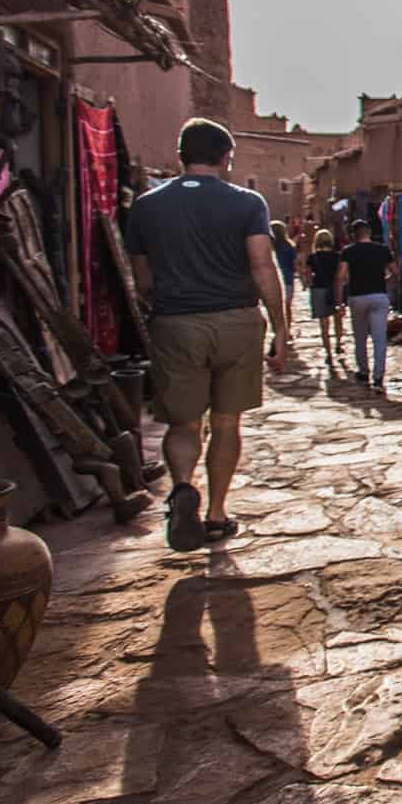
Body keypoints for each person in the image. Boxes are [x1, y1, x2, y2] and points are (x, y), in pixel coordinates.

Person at [126, 118, 289, 552]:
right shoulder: (247, 203)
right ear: (225, 157)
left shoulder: (145, 206)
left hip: (175, 322)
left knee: (184, 423)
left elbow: (141, 280)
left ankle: (182, 488)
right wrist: (281, 327)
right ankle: (217, 514)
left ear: (182, 155)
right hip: (235, 321)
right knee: (226, 422)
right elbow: (261, 267)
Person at [338, 217, 395, 390]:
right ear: (369, 233)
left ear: (353, 235)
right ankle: (378, 377)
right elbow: (395, 271)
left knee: (360, 337)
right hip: (378, 296)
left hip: (358, 297)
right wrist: (384, 280)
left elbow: (341, 276)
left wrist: (339, 301)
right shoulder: (383, 250)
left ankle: (363, 372)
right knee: (379, 338)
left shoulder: (348, 251)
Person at [306, 228, 344, 369]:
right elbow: (341, 275)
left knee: (324, 324)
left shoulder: (313, 258)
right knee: (337, 319)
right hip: (334, 288)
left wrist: (309, 284)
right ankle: (338, 343)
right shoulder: (337, 256)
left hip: (319, 290)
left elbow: (308, 275)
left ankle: (328, 352)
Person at [270, 221, 298, 314]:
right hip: (288, 278)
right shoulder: (289, 246)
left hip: (272, 279)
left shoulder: (269, 247)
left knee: (273, 307)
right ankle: (287, 326)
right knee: (287, 305)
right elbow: (294, 263)